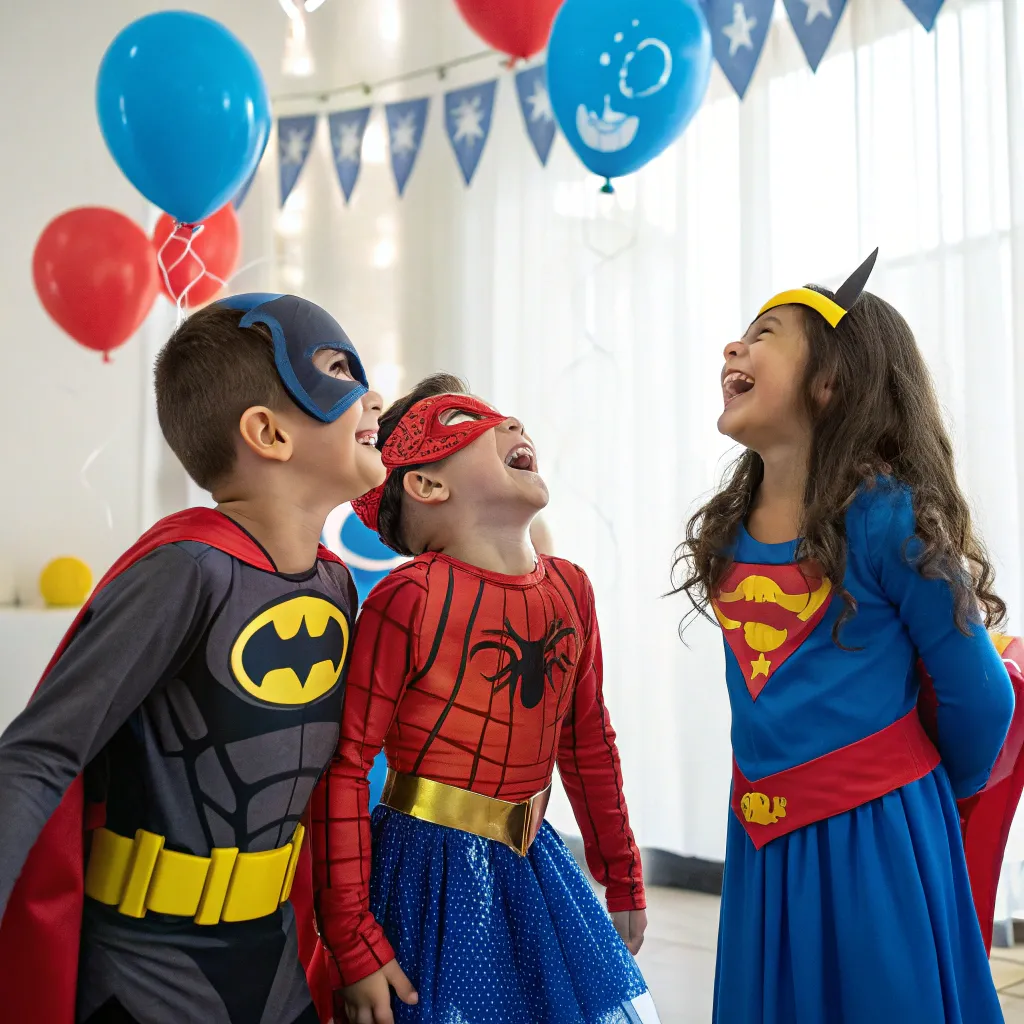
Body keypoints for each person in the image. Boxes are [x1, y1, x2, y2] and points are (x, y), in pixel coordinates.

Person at [0, 295, 384, 1024]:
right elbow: (40, 754)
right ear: (267, 432)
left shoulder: (336, 585)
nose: (374, 395)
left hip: (273, 961)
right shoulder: (187, 571)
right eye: (338, 369)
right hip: (147, 972)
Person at [672, 251, 1015, 1023]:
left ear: (831, 382)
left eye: (762, 334)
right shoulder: (727, 533)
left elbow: (980, 697)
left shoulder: (888, 518)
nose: (733, 348)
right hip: (762, 839)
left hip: (880, 836)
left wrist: (919, 805)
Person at [309, 373, 659, 1024]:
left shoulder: (572, 590)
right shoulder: (406, 599)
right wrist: (351, 934)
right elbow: (346, 765)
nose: (512, 424)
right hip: (425, 875)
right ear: (427, 484)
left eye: (507, 417)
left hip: (536, 864)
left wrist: (622, 870)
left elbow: (587, 741)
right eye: (464, 421)